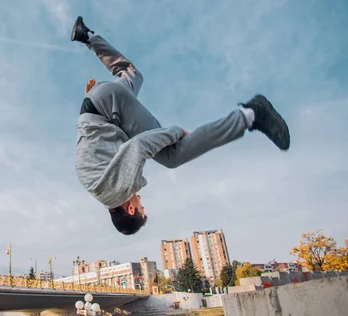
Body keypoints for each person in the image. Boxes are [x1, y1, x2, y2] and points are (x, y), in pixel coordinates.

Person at [71, 16, 290, 235]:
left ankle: (251, 114)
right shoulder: (100, 189)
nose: (140, 200)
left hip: (108, 108)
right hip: (98, 105)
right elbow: (93, 145)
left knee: (173, 156)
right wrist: (92, 100)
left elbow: (138, 146)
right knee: (132, 75)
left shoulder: (117, 191)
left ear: (129, 209)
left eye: (141, 207)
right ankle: (88, 36)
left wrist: (174, 133)